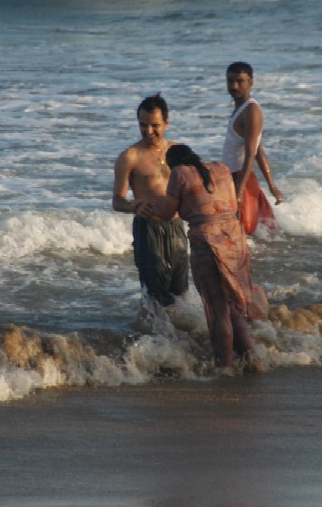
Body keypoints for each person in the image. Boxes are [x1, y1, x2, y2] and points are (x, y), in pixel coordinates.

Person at [144, 144, 267, 373]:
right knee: (234, 307)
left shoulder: (179, 173)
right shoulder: (220, 168)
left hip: (207, 242)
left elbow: (168, 213)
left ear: (173, 164)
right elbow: (231, 204)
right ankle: (254, 362)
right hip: (234, 239)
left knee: (217, 308)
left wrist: (148, 210)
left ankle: (224, 369)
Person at [112, 94, 189, 306]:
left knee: (180, 294)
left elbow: (194, 190)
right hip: (148, 229)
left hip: (176, 227)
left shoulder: (179, 152)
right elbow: (117, 201)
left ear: (166, 123)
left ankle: (179, 339)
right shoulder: (130, 156)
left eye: (155, 125)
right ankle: (153, 338)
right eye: (143, 125)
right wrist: (132, 205)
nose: (148, 131)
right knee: (155, 296)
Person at [222, 61, 284, 235]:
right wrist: (271, 185)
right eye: (230, 81)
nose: (234, 86)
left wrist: (240, 191)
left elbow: (251, 153)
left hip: (242, 179)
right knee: (251, 234)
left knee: (242, 232)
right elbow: (259, 150)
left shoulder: (251, 111)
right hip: (234, 177)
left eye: (240, 81)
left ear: (250, 82)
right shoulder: (240, 108)